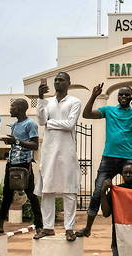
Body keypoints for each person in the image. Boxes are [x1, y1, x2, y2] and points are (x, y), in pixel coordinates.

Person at [76, 84, 132, 238]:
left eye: (126, 95)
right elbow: (87, 114)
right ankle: (88, 228)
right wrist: (93, 96)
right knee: (98, 191)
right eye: (121, 95)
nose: (123, 97)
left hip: (128, 159)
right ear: (117, 97)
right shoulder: (109, 110)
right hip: (108, 158)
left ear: (131, 97)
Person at [33, 72, 82, 241]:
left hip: (67, 151)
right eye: (56, 80)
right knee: (47, 189)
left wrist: (50, 123)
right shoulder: (47, 102)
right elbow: (40, 121)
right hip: (48, 150)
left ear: (69, 82)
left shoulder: (75, 101)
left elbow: (69, 124)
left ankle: (69, 228)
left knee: (69, 190)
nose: (57, 82)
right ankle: (48, 227)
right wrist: (40, 99)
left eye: (61, 80)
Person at [0, 99, 43, 234]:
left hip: (25, 164)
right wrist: (11, 142)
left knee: (31, 194)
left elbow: (34, 145)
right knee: (6, 194)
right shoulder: (14, 125)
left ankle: (39, 225)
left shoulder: (30, 124)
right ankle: (0, 224)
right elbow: (17, 144)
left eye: (13, 106)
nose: (10, 108)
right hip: (11, 163)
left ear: (20, 108)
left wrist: (16, 141)